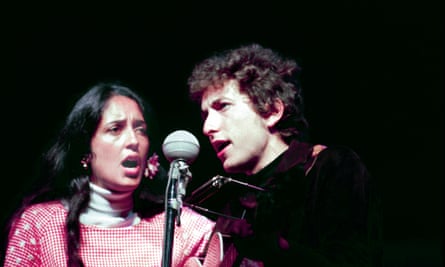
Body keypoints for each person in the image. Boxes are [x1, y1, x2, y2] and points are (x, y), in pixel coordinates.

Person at [186, 43, 383, 266]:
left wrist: (279, 250)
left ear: (271, 111)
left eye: (222, 106)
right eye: (205, 115)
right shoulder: (233, 206)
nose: (207, 127)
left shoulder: (330, 168)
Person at [2, 81, 217, 267]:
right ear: (85, 151)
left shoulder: (179, 227)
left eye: (140, 130)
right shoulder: (42, 224)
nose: (134, 141)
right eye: (115, 129)